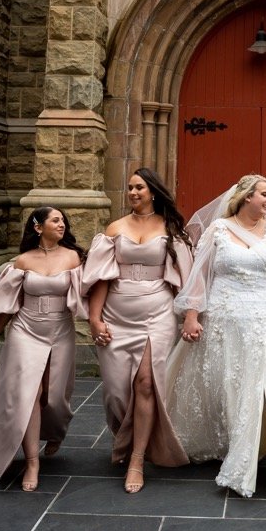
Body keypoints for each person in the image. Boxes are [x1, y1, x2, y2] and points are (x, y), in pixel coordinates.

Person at [166, 173, 266, 498]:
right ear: (246, 197)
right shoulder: (218, 229)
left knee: (257, 383)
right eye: (264, 194)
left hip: (264, 318)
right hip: (223, 316)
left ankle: (246, 457)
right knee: (227, 381)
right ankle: (227, 439)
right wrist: (191, 315)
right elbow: (200, 274)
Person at [83, 167, 193, 492]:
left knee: (145, 384)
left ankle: (137, 459)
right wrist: (94, 318)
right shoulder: (114, 229)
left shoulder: (171, 229)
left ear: (154, 192)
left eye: (139, 188)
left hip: (156, 313)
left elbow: (185, 279)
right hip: (116, 312)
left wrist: (190, 316)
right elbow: (101, 276)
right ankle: (125, 436)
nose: (133, 193)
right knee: (117, 391)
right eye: (130, 187)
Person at [0, 206, 85, 491]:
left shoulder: (73, 257)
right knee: (29, 394)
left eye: (62, 221)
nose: (61, 224)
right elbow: (10, 302)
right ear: (37, 227)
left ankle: (55, 430)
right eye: (55, 220)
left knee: (55, 396)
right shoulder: (22, 261)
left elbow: (90, 294)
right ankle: (32, 460)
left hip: (60, 328)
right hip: (25, 329)